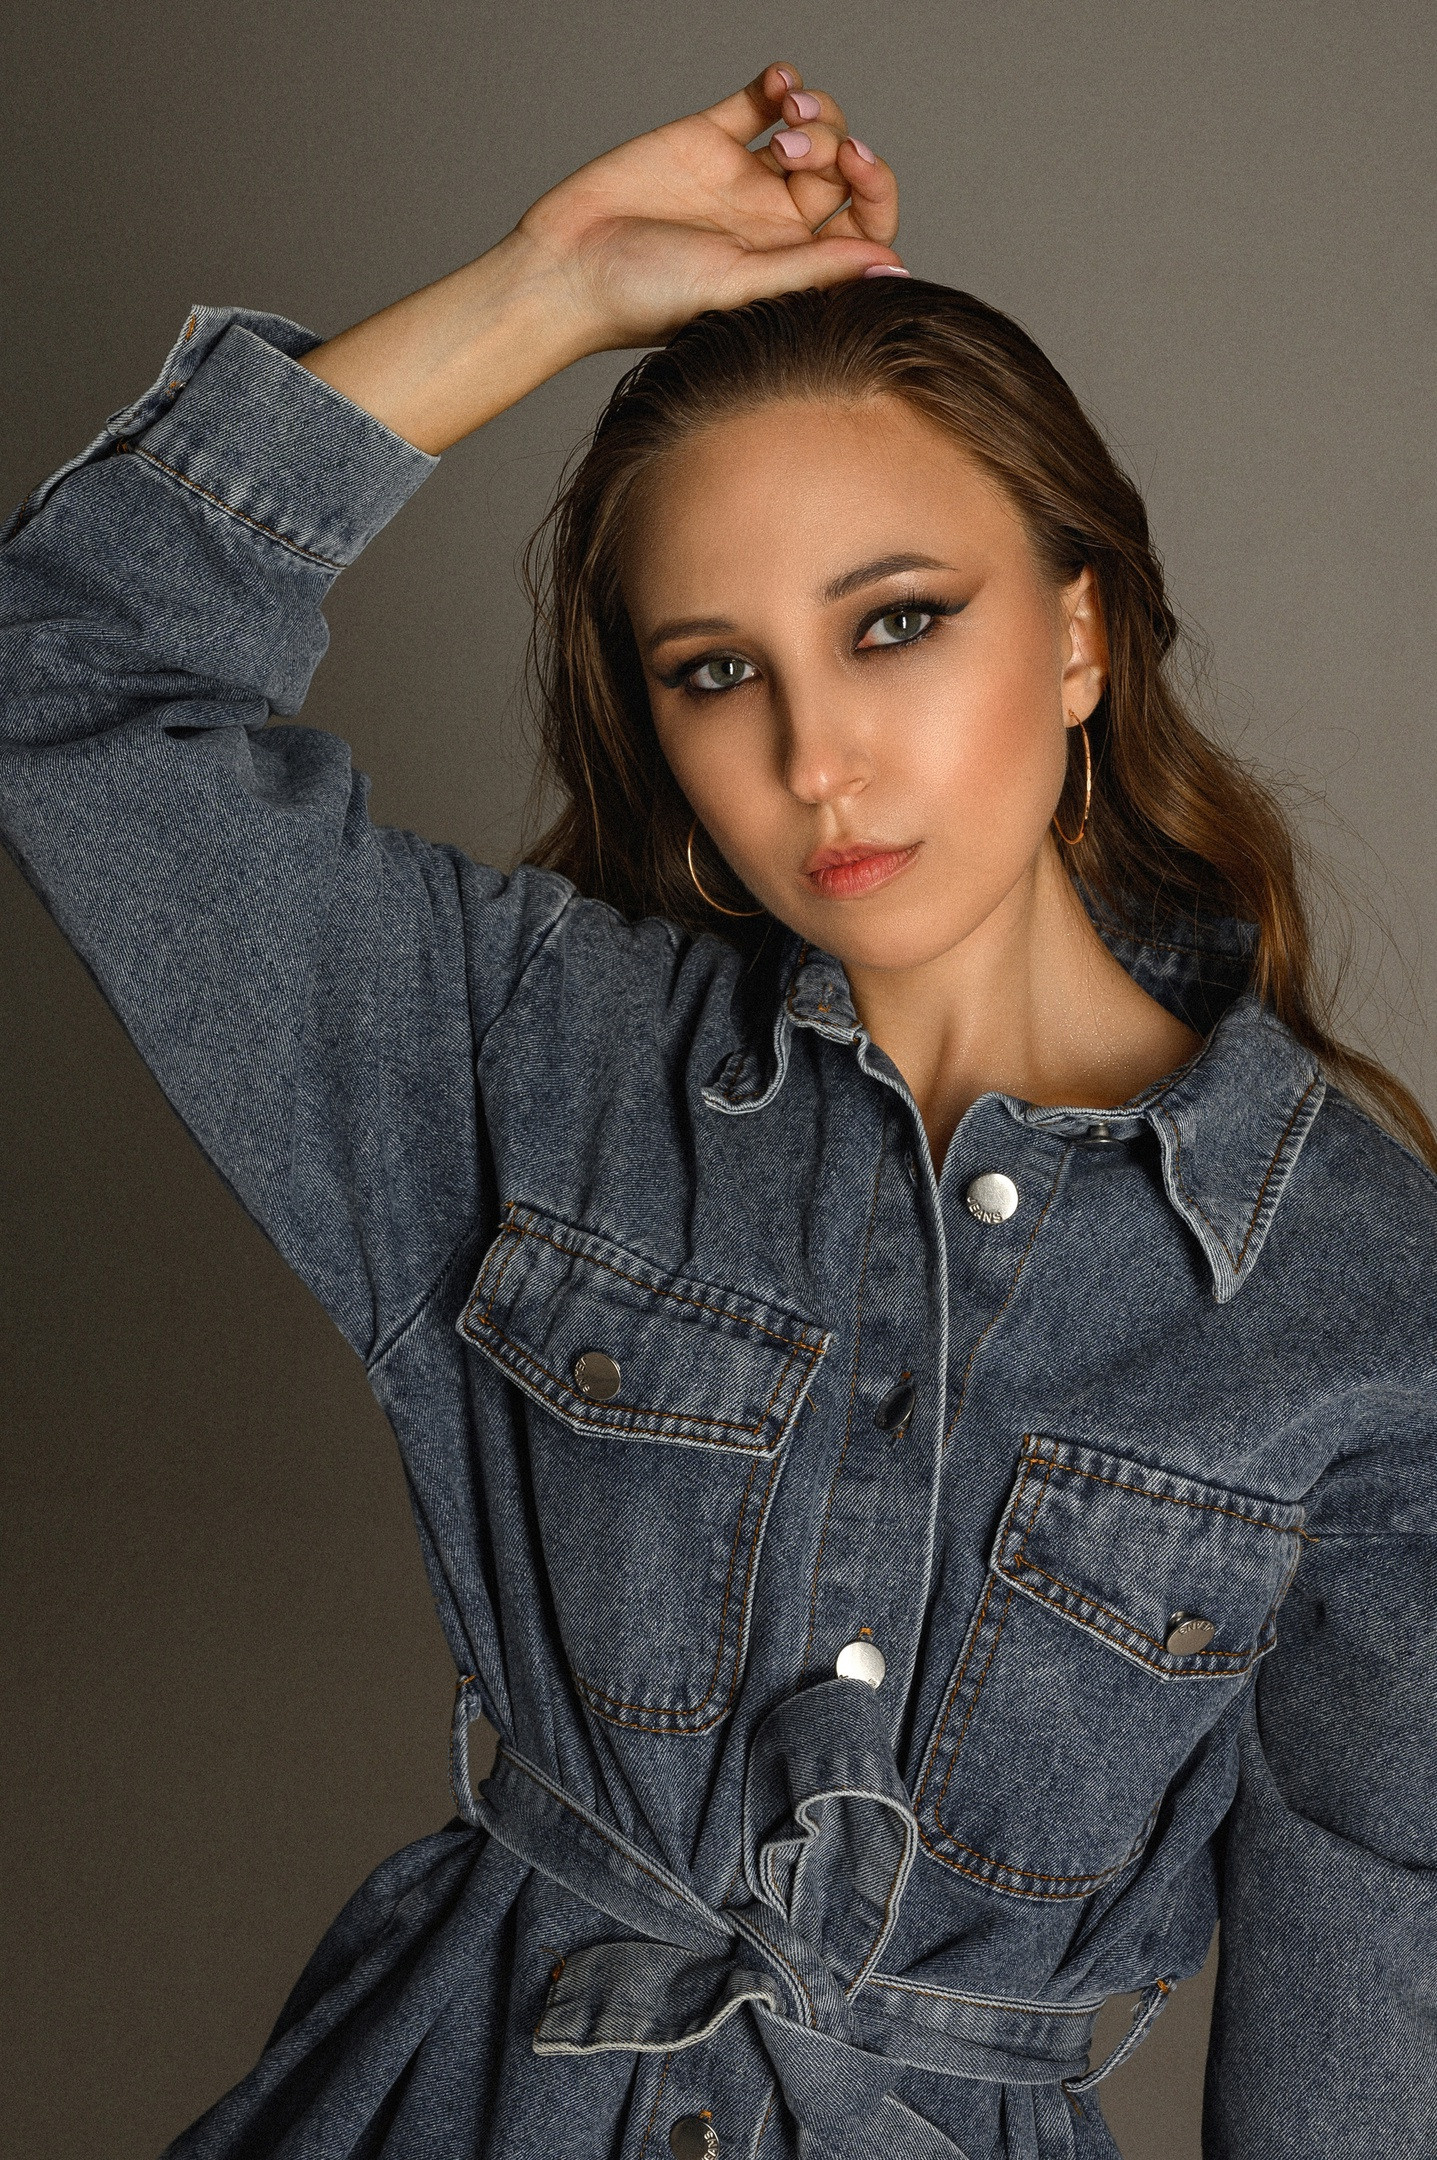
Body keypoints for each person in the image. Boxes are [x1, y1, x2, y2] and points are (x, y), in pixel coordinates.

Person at [2, 57, 1433, 2160]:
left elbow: (1365, 2041)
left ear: (1077, 635)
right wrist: (544, 289)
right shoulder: (532, 1059)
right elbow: (63, 677)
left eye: (895, 624)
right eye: (714, 670)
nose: (814, 760)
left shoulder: (1360, 1297)